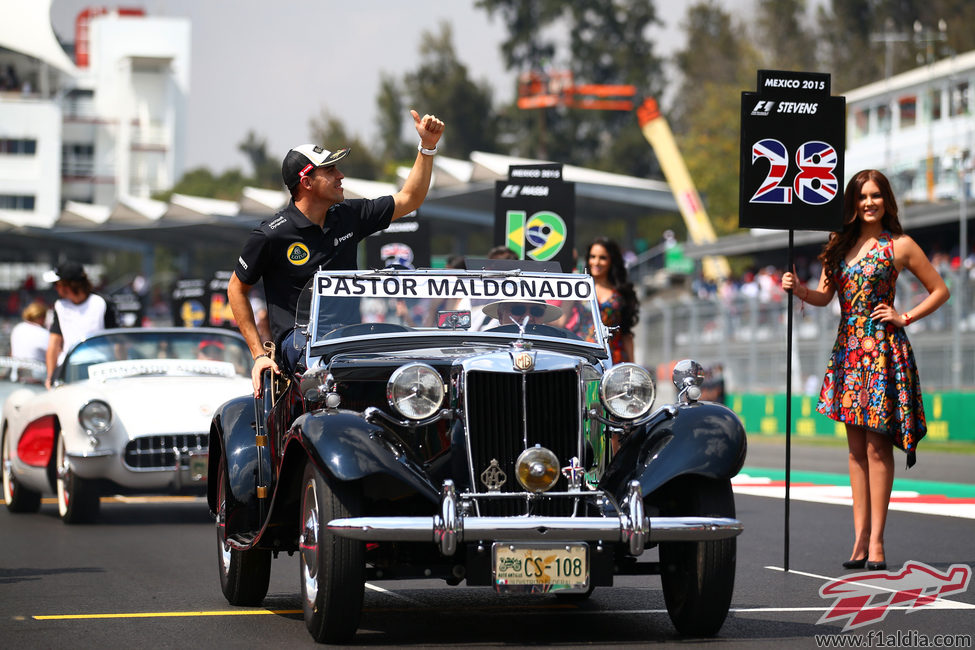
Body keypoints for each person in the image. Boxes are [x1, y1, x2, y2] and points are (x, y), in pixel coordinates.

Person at [780, 169, 949, 571]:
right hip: (847, 355)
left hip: (883, 352)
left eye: (875, 195)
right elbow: (823, 297)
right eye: (861, 196)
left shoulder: (900, 245)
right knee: (855, 453)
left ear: (886, 200)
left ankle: (877, 542)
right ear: (852, 204)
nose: (868, 202)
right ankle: (858, 541)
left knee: (877, 447)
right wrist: (798, 290)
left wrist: (903, 316)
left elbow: (941, 290)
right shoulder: (837, 245)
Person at [228, 109, 445, 395]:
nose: (341, 175)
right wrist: (258, 356)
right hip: (299, 346)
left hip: (348, 339)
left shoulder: (349, 215)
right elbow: (236, 289)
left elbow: (410, 198)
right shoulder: (271, 233)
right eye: (330, 170)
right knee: (323, 369)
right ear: (306, 182)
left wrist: (427, 147)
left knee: (409, 362)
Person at [43, 262, 118, 388]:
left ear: (68, 285)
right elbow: (53, 344)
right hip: (70, 365)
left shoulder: (102, 303)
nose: (55, 288)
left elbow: (116, 341)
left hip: (100, 366)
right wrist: (50, 377)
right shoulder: (60, 306)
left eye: (57, 284)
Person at [583, 237, 638, 364]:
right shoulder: (578, 288)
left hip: (615, 359)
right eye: (593, 256)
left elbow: (626, 332)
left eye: (602, 258)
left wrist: (632, 366)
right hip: (584, 357)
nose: (596, 262)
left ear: (611, 261)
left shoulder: (621, 292)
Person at [9, 301, 49, 382]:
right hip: (37, 378)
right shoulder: (43, 333)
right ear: (41, 317)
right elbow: (54, 355)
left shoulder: (17, 328)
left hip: (16, 375)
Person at [481, 299, 562, 328]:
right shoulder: (485, 346)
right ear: (501, 315)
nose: (528, 317)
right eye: (518, 310)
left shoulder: (557, 348)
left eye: (536, 311)